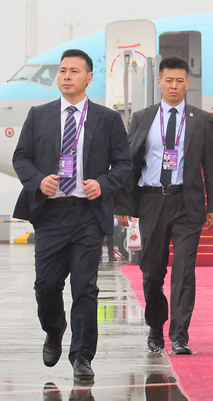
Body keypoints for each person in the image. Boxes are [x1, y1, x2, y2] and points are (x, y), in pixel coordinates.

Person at [12, 49, 132, 380]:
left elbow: (124, 164)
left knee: (85, 287)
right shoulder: (39, 115)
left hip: (87, 215)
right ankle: (54, 329)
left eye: (74, 71)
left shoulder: (107, 119)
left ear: (89, 78)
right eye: (62, 71)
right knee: (46, 285)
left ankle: (82, 356)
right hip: (50, 214)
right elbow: (21, 157)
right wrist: (39, 181)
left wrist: (103, 183)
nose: (66, 76)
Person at [114, 56, 213, 355]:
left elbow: (212, 165)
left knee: (185, 271)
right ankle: (155, 327)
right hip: (151, 201)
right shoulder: (142, 118)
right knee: (152, 272)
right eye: (169, 80)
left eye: (180, 81)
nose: (174, 86)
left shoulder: (200, 119)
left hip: (186, 204)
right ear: (159, 82)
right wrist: (122, 202)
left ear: (188, 83)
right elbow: (126, 162)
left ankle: (180, 335)